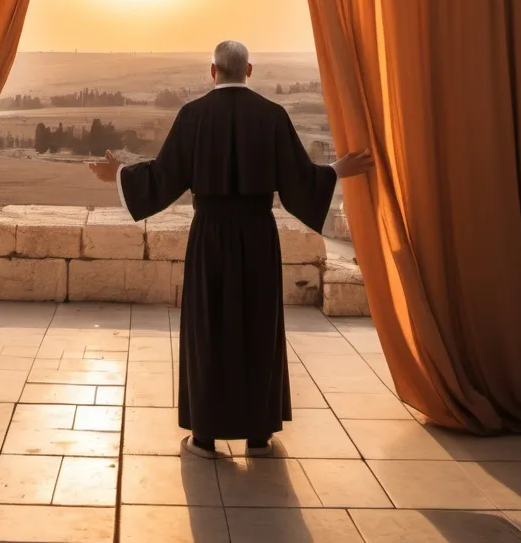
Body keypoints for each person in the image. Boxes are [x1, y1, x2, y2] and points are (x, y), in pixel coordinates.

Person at [88, 40, 373, 457]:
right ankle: (259, 436)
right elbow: (298, 179)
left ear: (213, 71)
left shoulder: (193, 116)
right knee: (258, 329)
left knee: (209, 330)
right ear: (250, 70)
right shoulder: (273, 116)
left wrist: (119, 174)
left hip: (211, 238)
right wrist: (337, 170)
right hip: (258, 236)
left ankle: (204, 436)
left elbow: (163, 176)